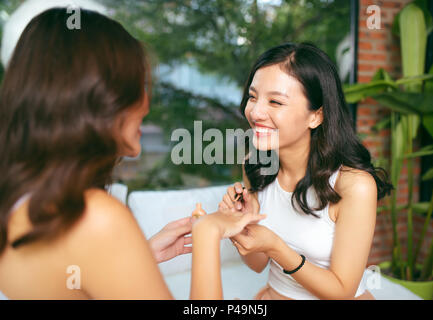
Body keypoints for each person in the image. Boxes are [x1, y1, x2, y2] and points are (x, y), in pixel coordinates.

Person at [0, 7, 265, 299]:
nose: (147, 105)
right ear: (101, 99)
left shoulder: (18, 203)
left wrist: (142, 255)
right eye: (140, 86)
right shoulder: (93, 215)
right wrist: (208, 233)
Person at [218, 42, 393, 300]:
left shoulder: (353, 186)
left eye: (275, 101)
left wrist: (277, 247)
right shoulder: (256, 167)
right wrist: (241, 227)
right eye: (253, 97)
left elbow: (341, 291)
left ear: (316, 116)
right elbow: (257, 264)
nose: (255, 112)